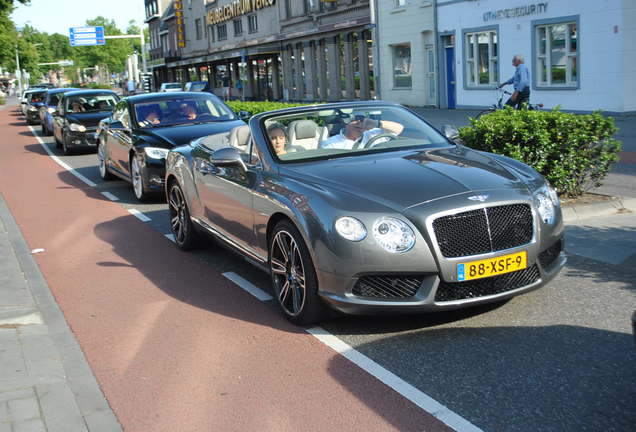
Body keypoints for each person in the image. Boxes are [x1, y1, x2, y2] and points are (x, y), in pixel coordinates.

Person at [320, 114, 404, 150]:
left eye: (362, 121)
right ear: (346, 124)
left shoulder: (373, 134)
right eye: (355, 121)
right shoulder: (330, 144)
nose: (359, 123)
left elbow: (399, 128)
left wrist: (376, 123)